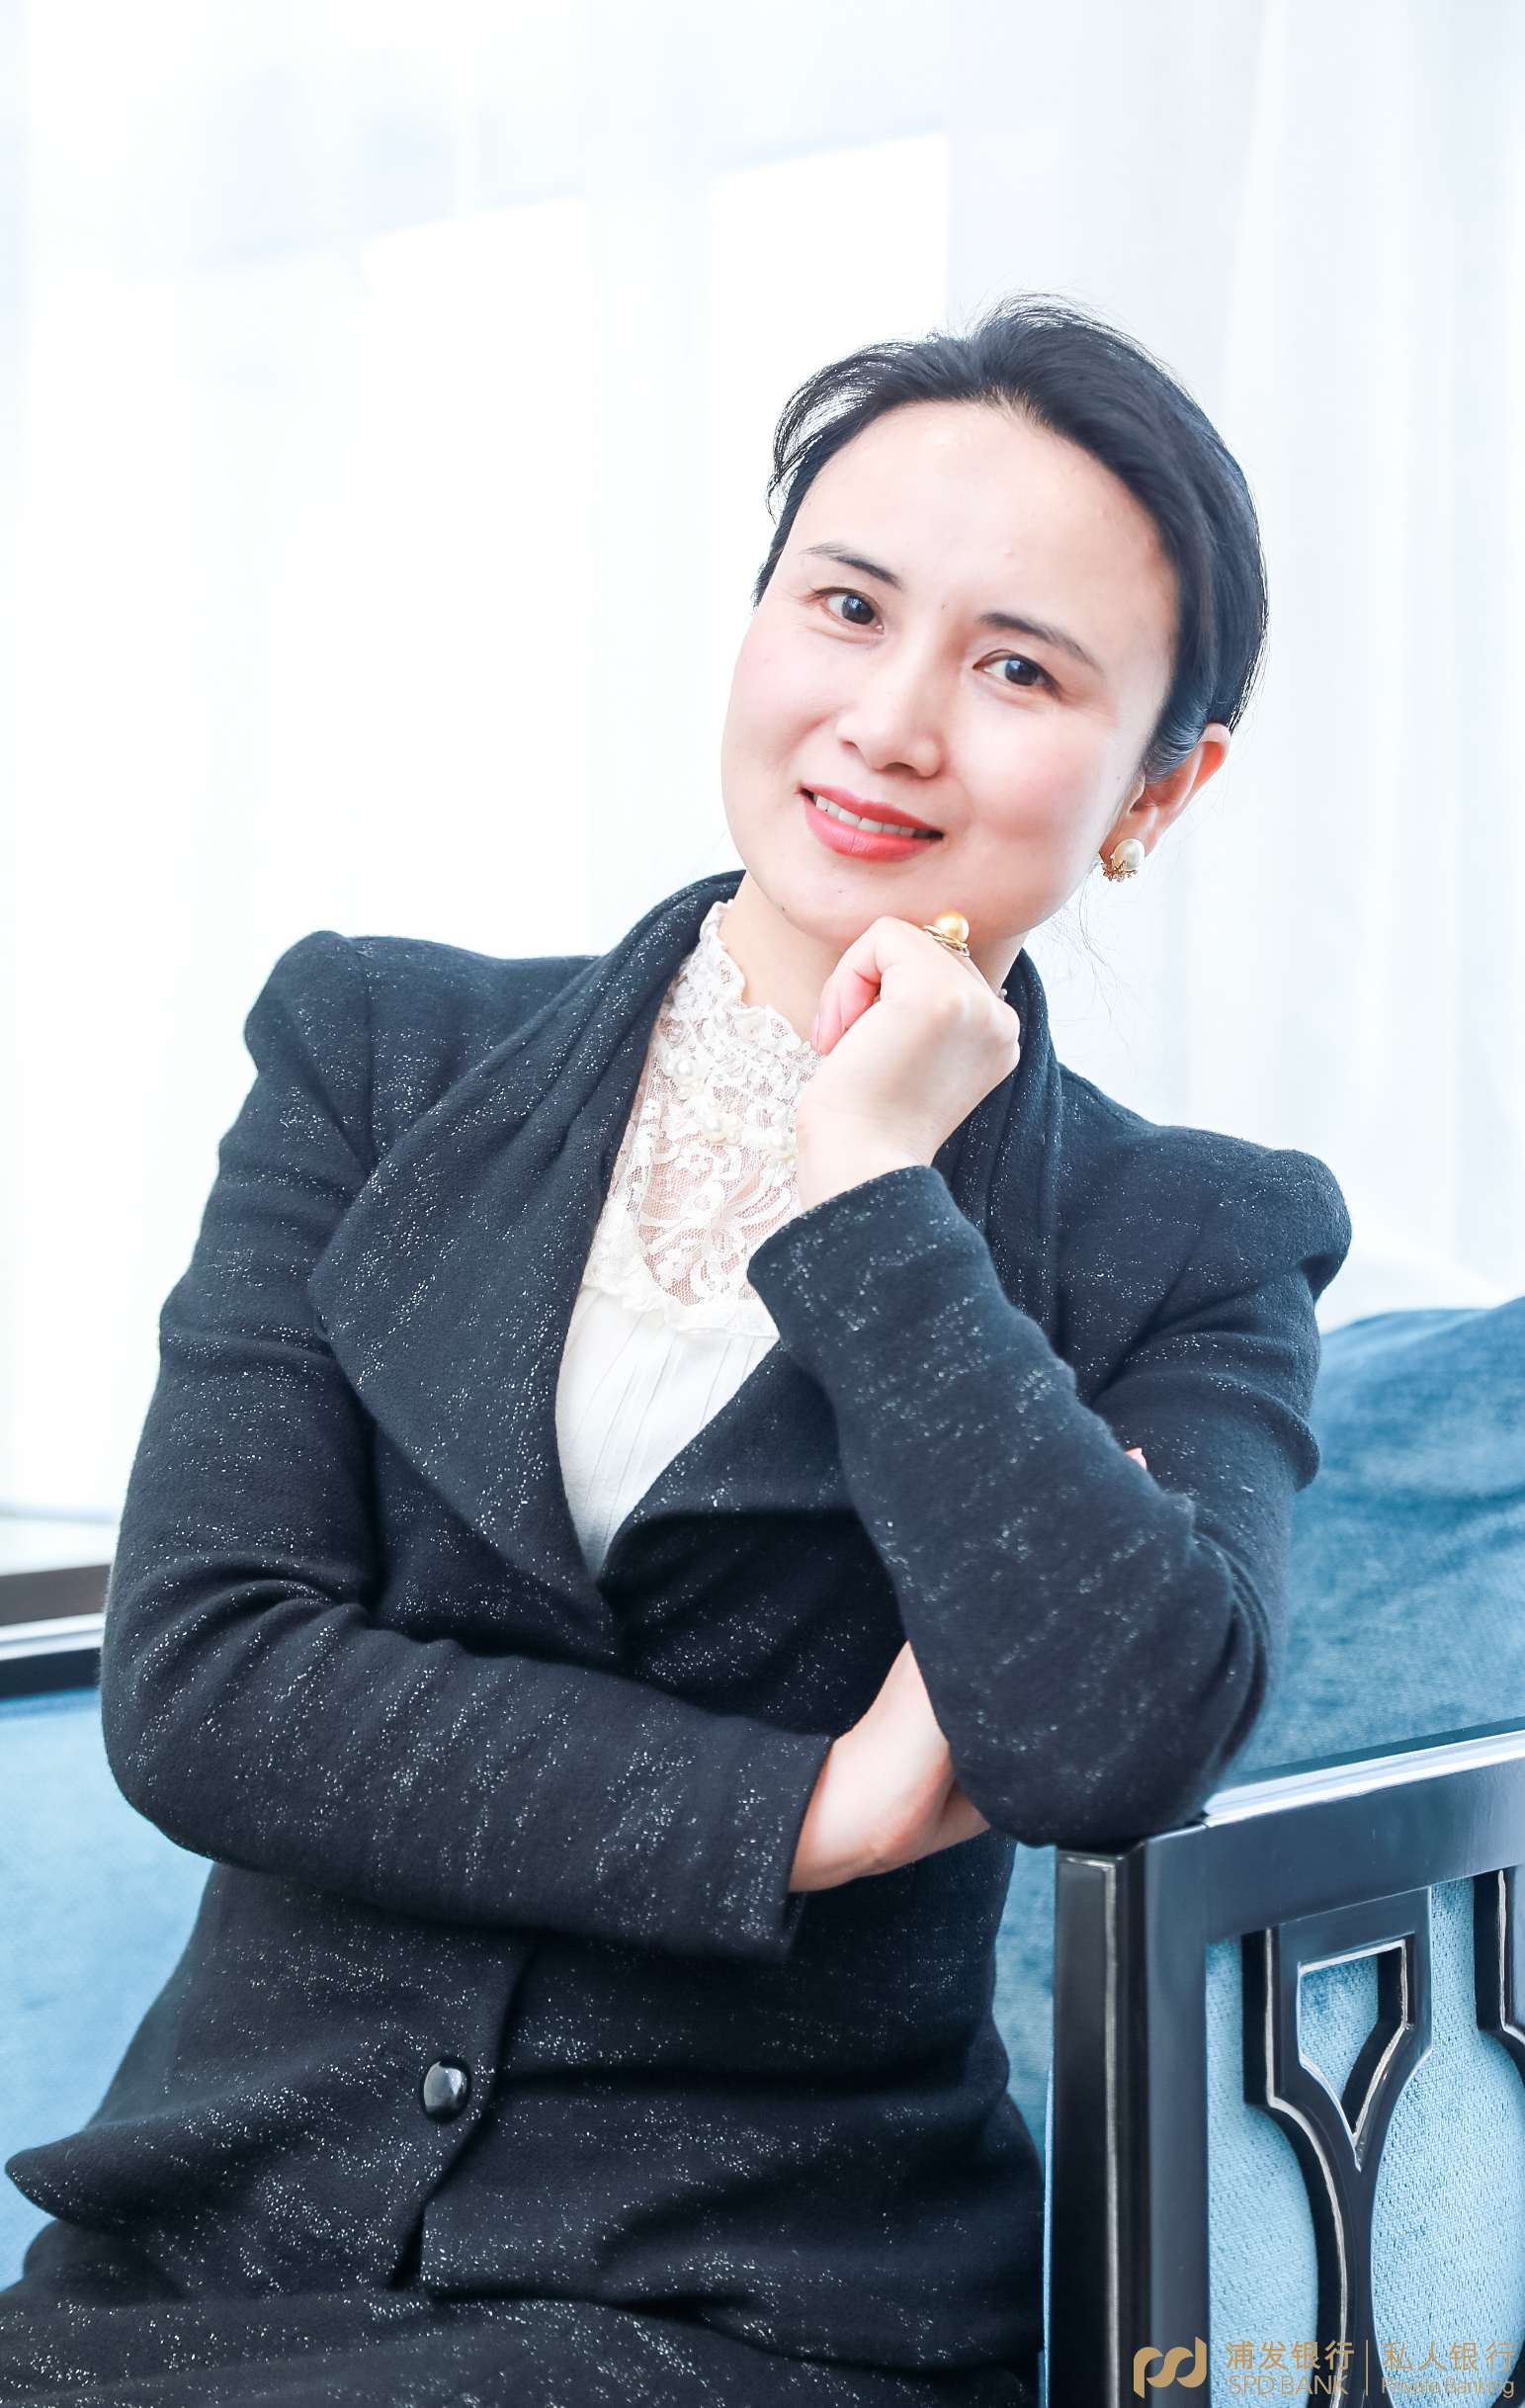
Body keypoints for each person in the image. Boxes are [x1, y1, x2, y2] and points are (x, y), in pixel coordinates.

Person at [0, 300, 1348, 2406]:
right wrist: (812, 1808)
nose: (889, 722)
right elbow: (204, 1683)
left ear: (1162, 785)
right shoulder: (372, 1052)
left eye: (1017, 668)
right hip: (198, 2270)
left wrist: (871, 1193)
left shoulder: (1188, 1240)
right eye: (846, 607)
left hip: (750, 2318)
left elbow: (1107, 1742)